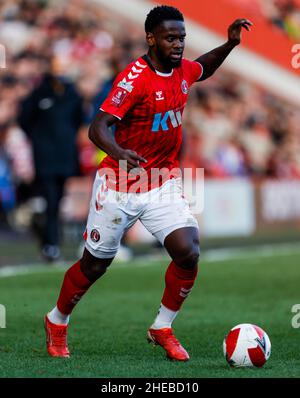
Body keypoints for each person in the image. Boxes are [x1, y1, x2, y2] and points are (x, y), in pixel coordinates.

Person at [44, 6, 252, 361]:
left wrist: (230, 44)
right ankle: (57, 320)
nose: (179, 44)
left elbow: (205, 66)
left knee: (188, 250)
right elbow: (98, 128)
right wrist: (119, 151)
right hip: (119, 183)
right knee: (95, 265)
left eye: (182, 38)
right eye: (171, 37)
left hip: (161, 181)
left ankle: (162, 326)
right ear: (151, 38)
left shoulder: (183, 70)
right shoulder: (134, 79)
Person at [19, 61, 84, 262]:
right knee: (51, 198)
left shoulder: (73, 95)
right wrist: (40, 139)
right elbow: (25, 120)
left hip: (64, 156)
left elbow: (78, 120)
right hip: (45, 157)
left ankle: (52, 241)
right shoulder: (39, 93)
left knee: (58, 200)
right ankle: (50, 243)